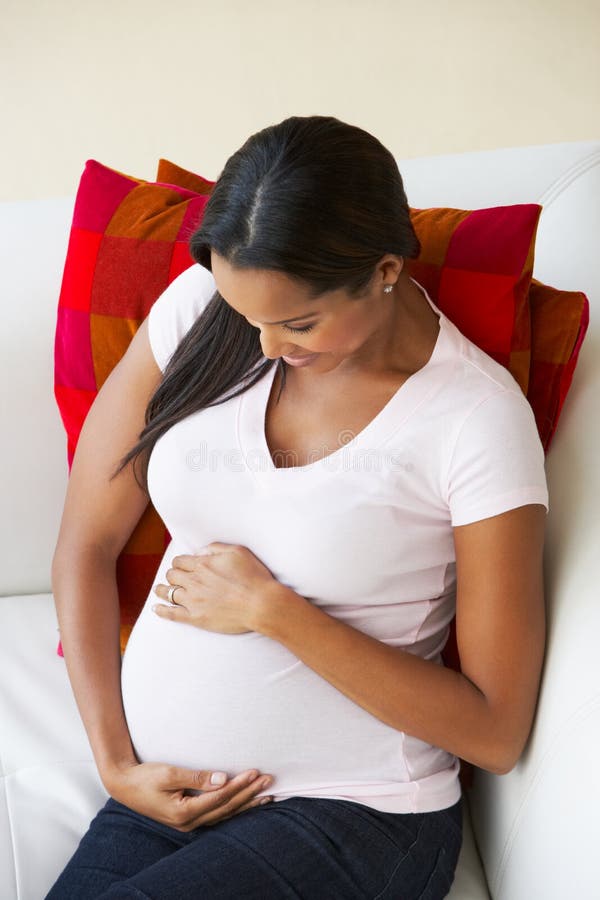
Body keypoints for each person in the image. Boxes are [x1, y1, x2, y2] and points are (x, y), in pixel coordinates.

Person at [46, 115, 548, 899]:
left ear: (385, 269)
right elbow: (83, 543)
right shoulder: (196, 312)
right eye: (247, 315)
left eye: (299, 322)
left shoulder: (474, 420)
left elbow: (495, 730)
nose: (268, 347)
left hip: (359, 811)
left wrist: (275, 611)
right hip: (164, 795)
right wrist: (116, 765)